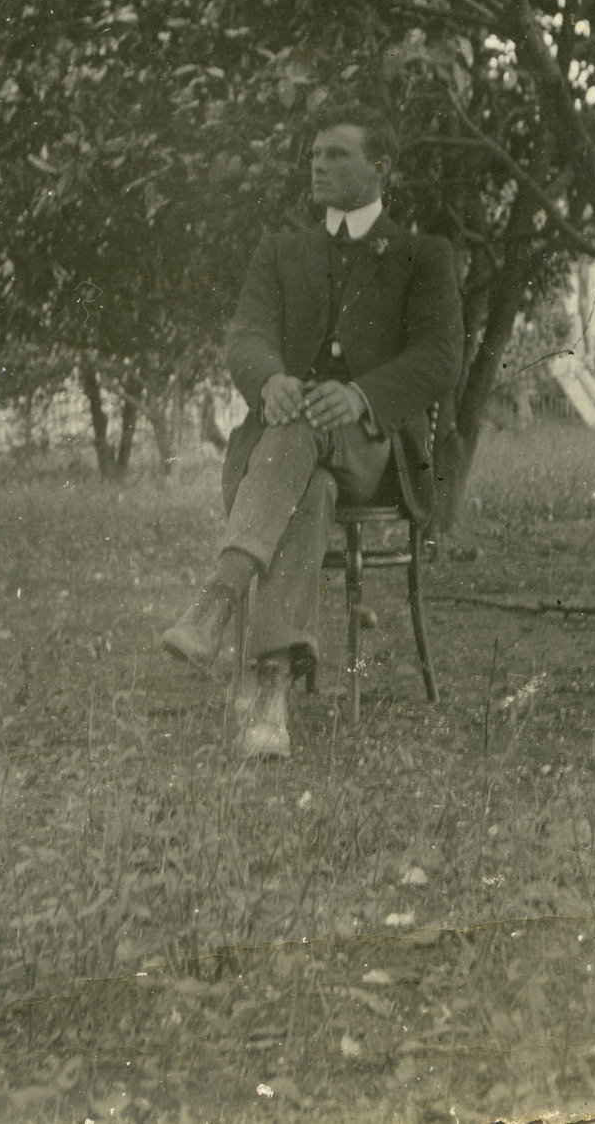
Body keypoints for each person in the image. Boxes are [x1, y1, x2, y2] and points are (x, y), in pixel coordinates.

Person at [162, 103, 463, 757]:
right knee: (311, 486)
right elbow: (246, 334)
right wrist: (268, 377)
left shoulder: (420, 255)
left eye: (337, 155)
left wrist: (359, 396)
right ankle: (269, 695)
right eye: (314, 154)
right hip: (290, 456)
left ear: (379, 167)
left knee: (312, 436)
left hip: (373, 449)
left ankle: (219, 599)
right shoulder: (282, 251)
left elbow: (440, 356)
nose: (318, 165)